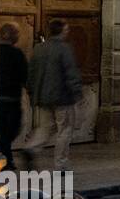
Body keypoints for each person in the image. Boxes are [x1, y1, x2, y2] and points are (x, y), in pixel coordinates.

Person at [22, 18, 83, 168]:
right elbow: (71, 73)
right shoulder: (64, 48)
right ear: (62, 31)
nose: (67, 32)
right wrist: (77, 93)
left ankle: (31, 148)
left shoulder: (39, 48)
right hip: (63, 97)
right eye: (66, 29)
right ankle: (61, 163)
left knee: (45, 127)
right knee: (65, 130)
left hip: (43, 97)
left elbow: (31, 72)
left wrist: (31, 93)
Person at [0, 23, 28, 170]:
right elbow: (24, 76)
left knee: (1, 131)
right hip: (11, 99)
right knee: (10, 130)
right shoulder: (17, 54)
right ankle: (6, 160)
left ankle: (6, 158)